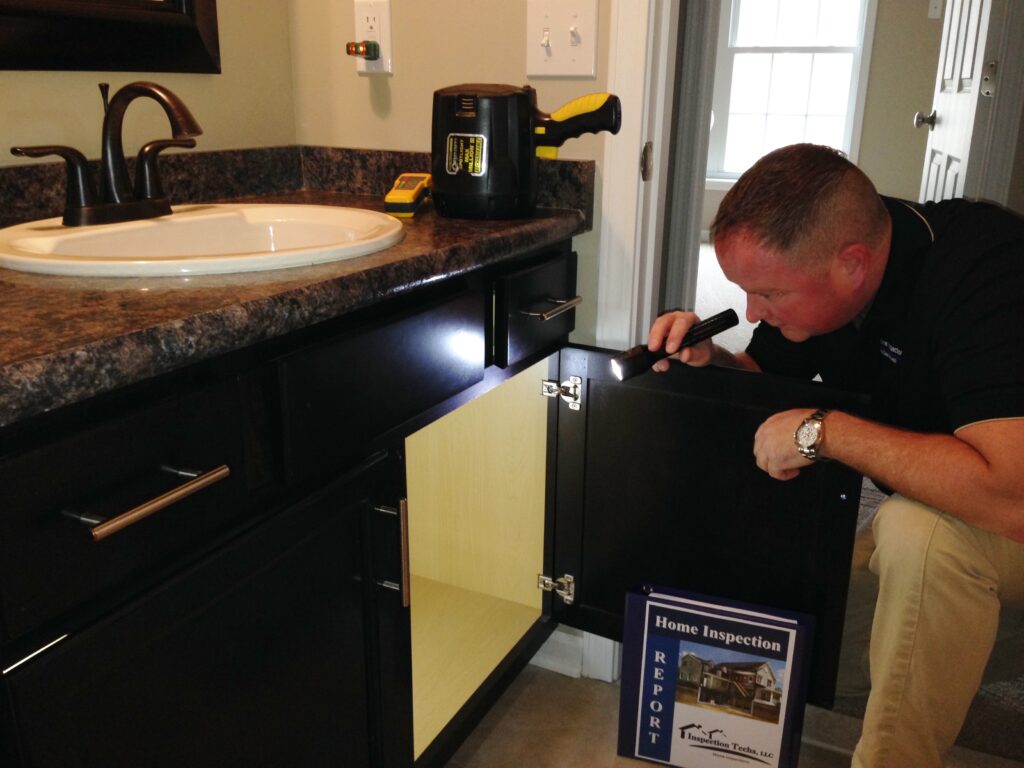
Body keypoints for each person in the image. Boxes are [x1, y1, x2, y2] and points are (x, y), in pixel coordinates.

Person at [647, 143, 1024, 768]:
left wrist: (827, 432)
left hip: (999, 509)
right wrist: (712, 363)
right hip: (947, 503)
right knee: (797, 590)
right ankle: (722, 744)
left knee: (915, 535)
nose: (752, 312)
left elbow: (1009, 493)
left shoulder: (986, 271)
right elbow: (765, 374)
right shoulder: (838, 275)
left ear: (852, 265)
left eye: (767, 294)